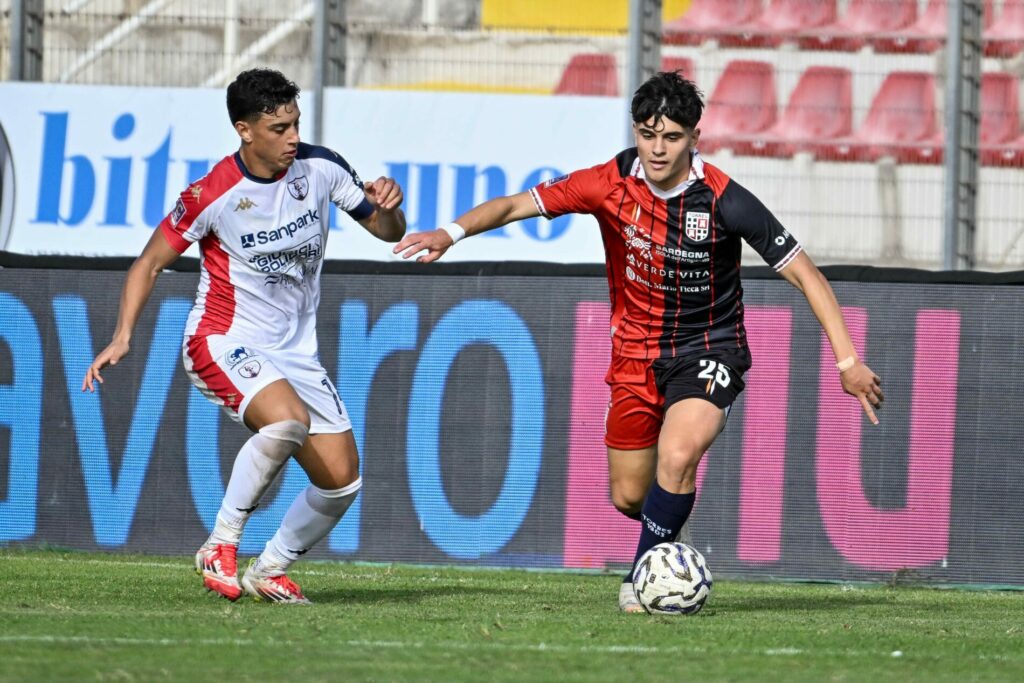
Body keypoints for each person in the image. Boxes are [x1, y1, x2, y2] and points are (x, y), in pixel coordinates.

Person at [393, 71, 883, 612]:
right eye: (648, 134)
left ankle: (640, 583)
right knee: (630, 494)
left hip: (709, 349)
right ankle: (670, 537)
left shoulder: (724, 200)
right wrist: (450, 233)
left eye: (671, 137)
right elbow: (516, 206)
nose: (657, 148)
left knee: (677, 456)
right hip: (633, 356)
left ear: (695, 137)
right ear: (636, 130)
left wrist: (847, 361)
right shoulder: (609, 182)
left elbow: (805, 274)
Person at [82, 68, 406, 603]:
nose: (292, 137)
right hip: (223, 338)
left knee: (341, 481)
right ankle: (221, 543)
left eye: (295, 123)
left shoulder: (321, 169)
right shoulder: (213, 193)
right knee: (287, 423)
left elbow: (386, 231)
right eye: (278, 127)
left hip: (294, 350)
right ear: (244, 129)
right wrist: (122, 336)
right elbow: (148, 263)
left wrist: (391, 208)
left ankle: (270, 567)